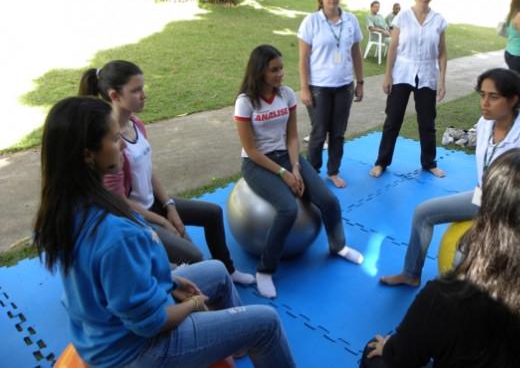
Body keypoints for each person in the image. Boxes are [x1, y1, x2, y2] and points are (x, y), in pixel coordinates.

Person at [33, 96, 295, 368]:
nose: (122, 143)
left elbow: (117, 283)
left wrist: (171, 283)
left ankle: (237, 344)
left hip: (106, 331)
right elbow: (150, 324)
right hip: (137, 352)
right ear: (88, 155)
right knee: (267, 322)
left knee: (217, 271)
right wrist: (193, 305)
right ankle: (246, 337)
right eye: (113, 139)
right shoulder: (113, 233)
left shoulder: (66, 207)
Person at [362, 150, 520, 368]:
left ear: (488, 215)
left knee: (373, 353)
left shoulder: (445, 297)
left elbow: (403, 357)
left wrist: (389, 349)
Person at [380, 68, 520, 287]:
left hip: (511, 211)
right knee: (423, 213)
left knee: (463, 257)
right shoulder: (486, 123)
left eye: (493, 97)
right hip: (482, 197)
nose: (484, 102)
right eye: (482, 95)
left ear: (513, 100)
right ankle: (410, 274)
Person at [79, 61, 254, 285]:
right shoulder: (111, 144)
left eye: (143, 88)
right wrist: (162, 221)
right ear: (115, 95)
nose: (144, 95)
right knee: (193, 255)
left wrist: (169, 206)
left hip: (155, 205)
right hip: (136, 216)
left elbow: (150, 171)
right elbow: (119, 202)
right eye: (136, 90)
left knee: (212, 212)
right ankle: (190, 292)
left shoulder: (136, 124)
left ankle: (228, 271)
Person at [235, 44, 364, 299]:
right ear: (260, 71)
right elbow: (251, 150)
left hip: (287, 156)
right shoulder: (245, 102)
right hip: (257, 163)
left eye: (281, 68)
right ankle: (265, 270)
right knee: (288, 209)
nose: (281, 73)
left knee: (328, 200)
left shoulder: (286, 95)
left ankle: (338, 246)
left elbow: (292, 136)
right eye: (274, 70)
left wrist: (295, 166)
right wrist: (284, 174)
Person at [369, 0, 447, 179]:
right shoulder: (402, 17)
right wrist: (387, 76)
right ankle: (381, 162)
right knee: (393, 120)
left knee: (427, 122)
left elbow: (442, 52)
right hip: (402, 73)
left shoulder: (438, 20)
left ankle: (429, 162)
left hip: (428, 75)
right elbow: (393, 47)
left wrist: (442, 81)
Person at [298, 0, 364, 188]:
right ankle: (312, 172)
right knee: (318, 133)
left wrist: (360, 81)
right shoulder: (311, 22)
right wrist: (305, 87)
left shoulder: (351, 20)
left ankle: (333, 171)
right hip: (319, 87)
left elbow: (356, 53)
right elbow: (303, 59)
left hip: (344, 86)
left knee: (338, 133)